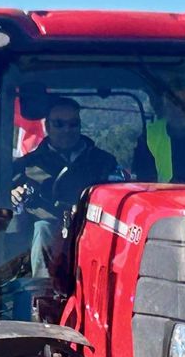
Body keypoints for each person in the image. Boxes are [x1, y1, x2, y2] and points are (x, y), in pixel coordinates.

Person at [10, 96, 118, 279]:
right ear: (47, 126)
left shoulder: (104, 162)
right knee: (44, 228)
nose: (67, 130)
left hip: (93, 231)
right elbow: (4, 200)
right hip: (46, 237)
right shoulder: (26, 166)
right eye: (59, 124)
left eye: (73, 124)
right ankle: (42, 295)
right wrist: (13, 193)